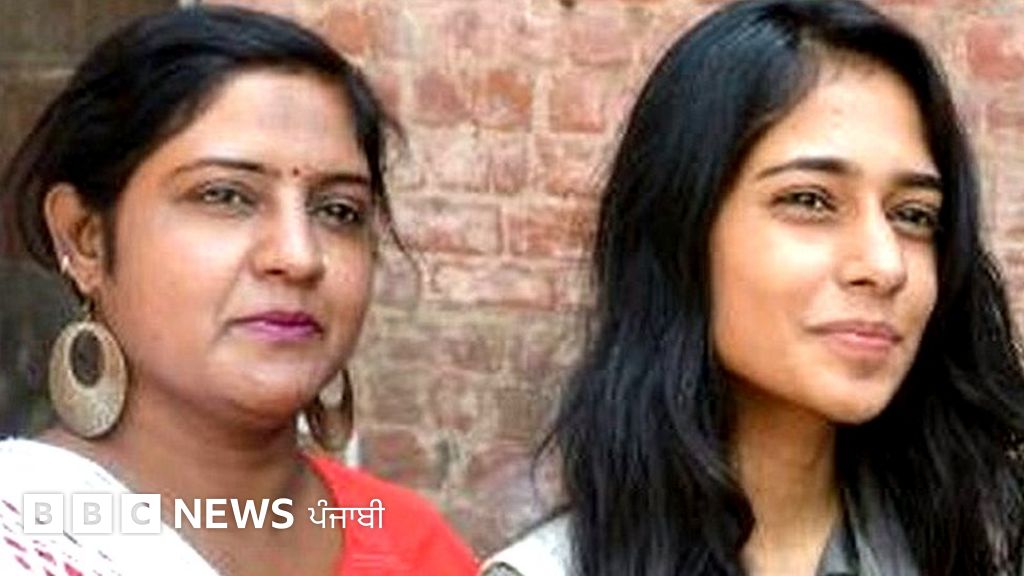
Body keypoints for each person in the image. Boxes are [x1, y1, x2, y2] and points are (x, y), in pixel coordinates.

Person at [482, 0, 1024, 574]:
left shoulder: (985, 546)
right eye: (810, 200)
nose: (885, 264)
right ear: (681, 227)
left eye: (913, 214)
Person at [0, 6, 478, 576]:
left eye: (338, 210)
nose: (299, 257)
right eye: (225, 196)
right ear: (86, 239)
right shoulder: (24, 536)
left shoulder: (413, 544)